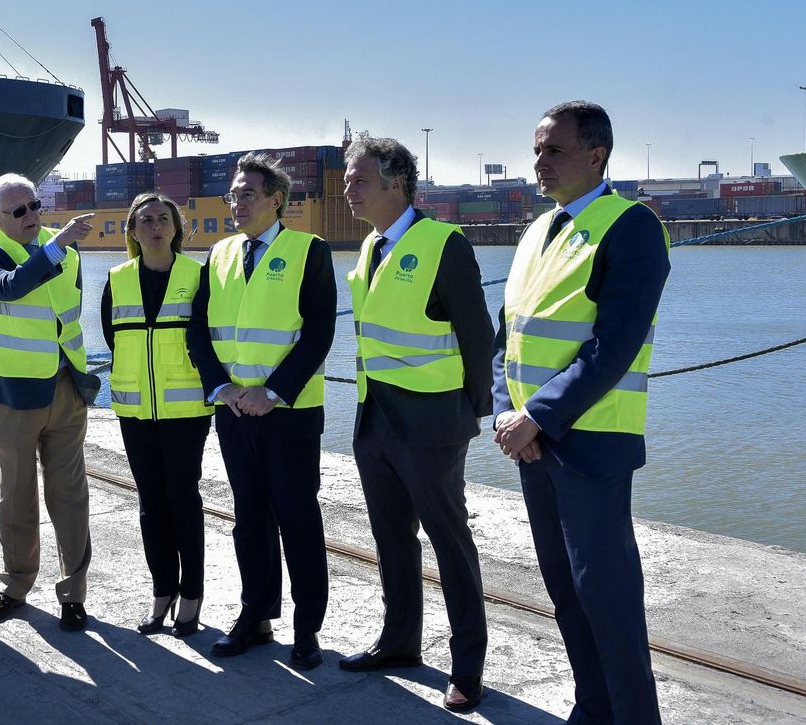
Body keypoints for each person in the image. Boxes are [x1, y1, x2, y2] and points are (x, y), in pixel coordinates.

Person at [492, 101, 670, 724]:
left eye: (554, 150)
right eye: (536, 150)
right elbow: (510, 336)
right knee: (565, 591)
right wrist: (507, 416)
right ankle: (592, 709)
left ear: (597, 156)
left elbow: (613, 346)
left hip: (591, 443)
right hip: (532, 442)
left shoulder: (631, 227)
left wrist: (536, 417)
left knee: (606, 595)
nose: (539, 162)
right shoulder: (538, 231)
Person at [337, 137, 494, 713]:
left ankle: (467, 666)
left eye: (359, 180)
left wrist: (470, 412)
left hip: (432, 423)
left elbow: (478, 336)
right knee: (391, 537)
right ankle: (399, 641)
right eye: (348, 180)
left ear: (396, 182)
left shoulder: (443, 243)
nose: (348, 189)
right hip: (375, 417)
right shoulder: (370, 245)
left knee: (450, 542)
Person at [185, 152, 336, 670]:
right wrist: (221, 388)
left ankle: (307, 628)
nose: (237, 204)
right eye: (233, 195)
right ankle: (255, 616)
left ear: (276, 200)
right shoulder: (220, 253)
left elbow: (319, 332)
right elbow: (198, 330)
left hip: (289, 413)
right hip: (233, 411)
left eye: (247, 194)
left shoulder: (308, 250)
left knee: (297, 519)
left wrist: (272, 393)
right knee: (249, 520)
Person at [0, 173, 100, 631]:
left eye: (35, 206)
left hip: (66, 387)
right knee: (17, 493)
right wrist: (57, 245)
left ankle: (73, 593)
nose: (31, 216)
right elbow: (9, 286)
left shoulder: (66, 250)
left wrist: (80, 378)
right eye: (19, 210)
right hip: (14, 393)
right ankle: (16, 585)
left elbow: (68, 315)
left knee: (70, 495)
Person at [98, 193, 210, 636]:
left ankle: (192, 593)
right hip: (135, 410)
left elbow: (209, 338)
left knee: (183, 498)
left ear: (177, 227)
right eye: (145, 220)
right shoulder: (117, 279)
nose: (155, 227)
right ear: (132, 230)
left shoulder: (198, 276)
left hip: (186, 409)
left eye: (164, 219)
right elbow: (113, 337)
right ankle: (162, 589)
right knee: (150, 503)